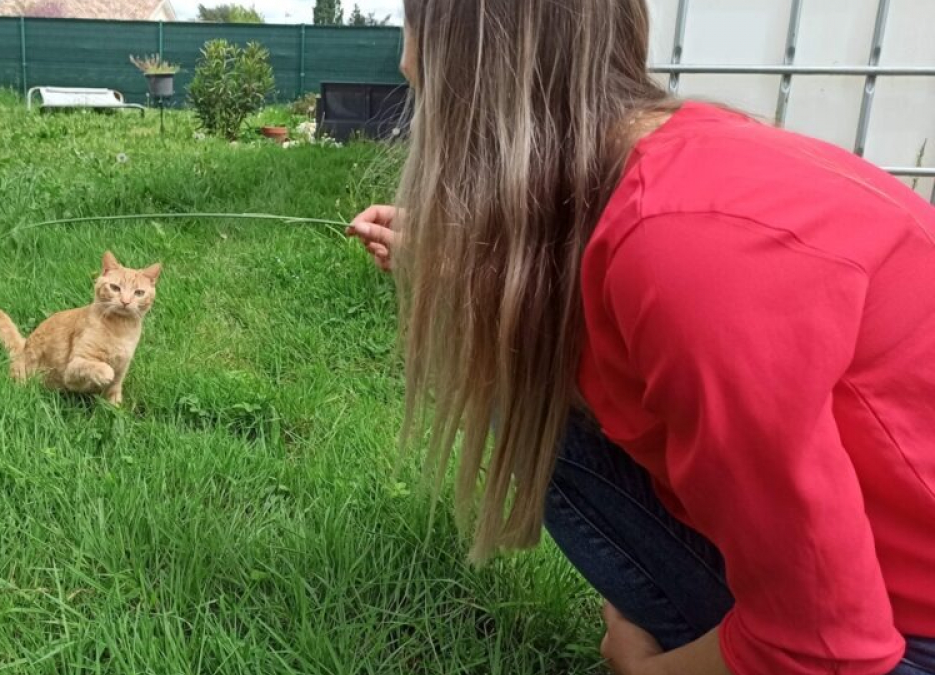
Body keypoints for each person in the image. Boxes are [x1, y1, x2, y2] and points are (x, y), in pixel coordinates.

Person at [345, 1, 935, 674]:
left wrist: (649, 667)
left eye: (427, 93)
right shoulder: (690, 162)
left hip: (903, 627)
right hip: (879, 565)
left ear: (478, 96)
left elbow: (832, 647)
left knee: (541, 412)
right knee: (539, 395)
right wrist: (464, 260)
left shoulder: (684, 246)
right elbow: (604, 330)